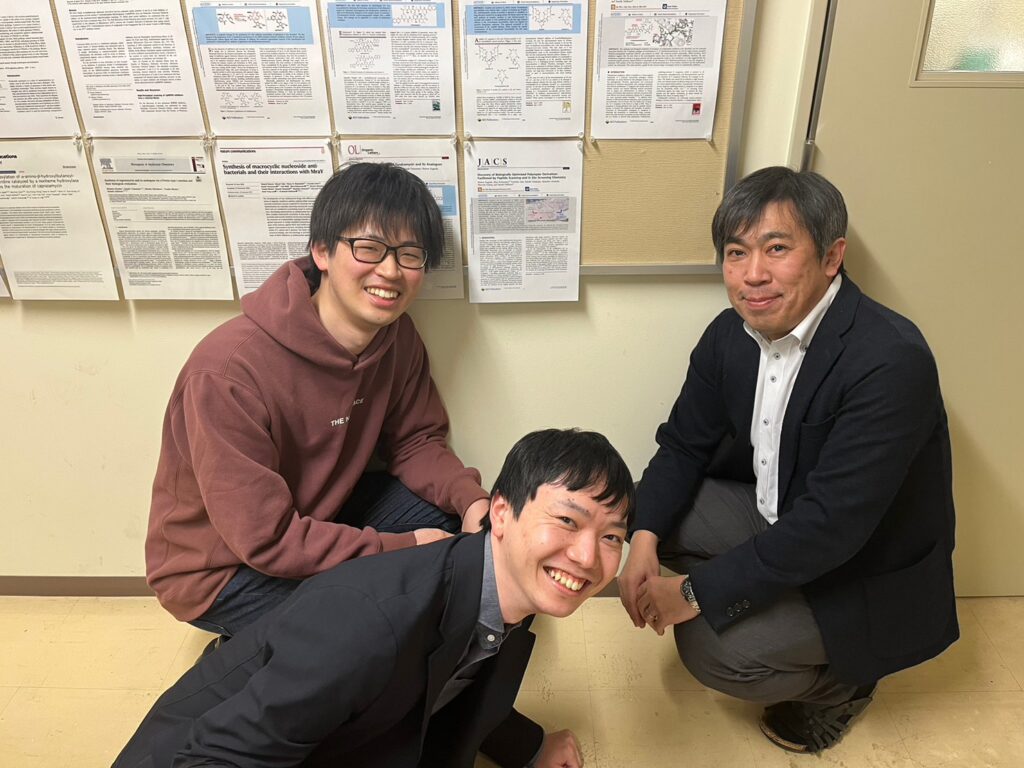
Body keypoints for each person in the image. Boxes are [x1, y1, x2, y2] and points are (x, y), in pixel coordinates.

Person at [618, 166, 958, 754]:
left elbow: (831, 528)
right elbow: (682, 444)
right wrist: (641, 540)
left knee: (713, 652)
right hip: (783, 519)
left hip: (862, 567)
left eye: (777, 248)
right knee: (653, 510)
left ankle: (846, 685)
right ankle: (764, 592)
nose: (753, 274)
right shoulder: (730, 336)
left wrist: (696, 594)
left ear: (832, 257)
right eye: (736, 252)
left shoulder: (889, 360)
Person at [115, 428, 634, 768]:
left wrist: (528, 748)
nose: (588, 556)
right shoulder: (367, 621)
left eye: (612, 536)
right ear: (500, 513)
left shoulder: (502, 596)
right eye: (567, 520)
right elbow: (214, 759)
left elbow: (444, 678)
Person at [146, 162, 490, 637]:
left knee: (459, 528)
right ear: (322, 251)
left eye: (410, 255)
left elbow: (414, 442)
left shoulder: (396, 336)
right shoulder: (228, 371)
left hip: (319, 517)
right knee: (393, 611)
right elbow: (264, 539)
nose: (389, 271)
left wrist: (472, 501)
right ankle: (247, 659)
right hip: (226, 573)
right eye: (369, 248)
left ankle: (291, 640)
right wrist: (402, 548)